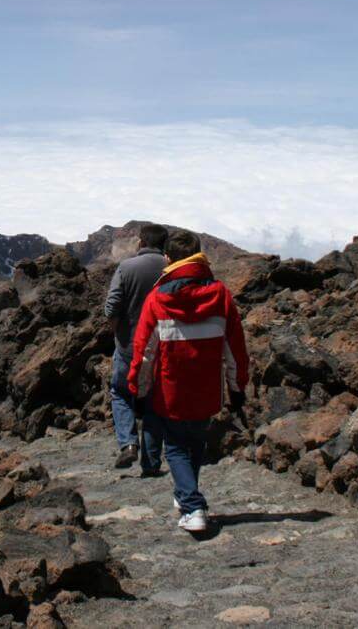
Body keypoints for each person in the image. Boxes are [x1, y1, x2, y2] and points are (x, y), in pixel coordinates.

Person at [128, 229, 249, 533]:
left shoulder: (158, 299)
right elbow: (235, 349)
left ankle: (194, 506)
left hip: (171, 391)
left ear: (168, 259)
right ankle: (185, 496)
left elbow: (144, 354)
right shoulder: (220, 294)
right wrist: (236, 389)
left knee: (177, 449)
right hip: (207, 390)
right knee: (194, 444)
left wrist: (138, 393)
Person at [103, 223, 169, 472]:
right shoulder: (172, 270)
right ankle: (151, 463)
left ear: (141, 243)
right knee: (154, 400)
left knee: (121, 392)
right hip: (164, 346)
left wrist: (118, 333)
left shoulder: (127, 267)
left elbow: (112, 308)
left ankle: (128, 445)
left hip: (129, 346)